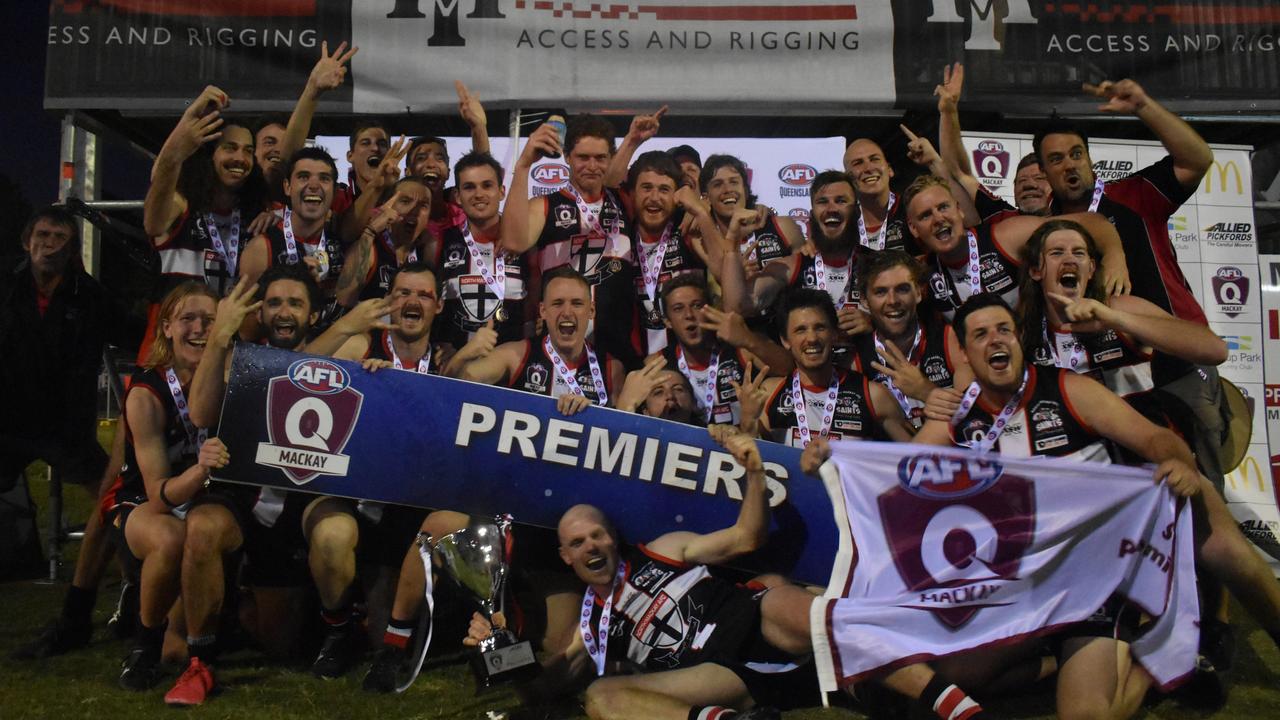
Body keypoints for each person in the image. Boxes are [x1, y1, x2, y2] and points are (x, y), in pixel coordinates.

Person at [914, 293, 1280, 718]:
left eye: (1004, 330)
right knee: (955, 673)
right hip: (1030, 583)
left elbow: (1155, 439)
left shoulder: (1069, 387)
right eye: (981, 334)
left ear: (1018, 339)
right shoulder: (958, 413)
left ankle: (1147, 664)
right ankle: (1087, 658)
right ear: (964, 353)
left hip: (1096, 574)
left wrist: (1178, 463)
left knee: (1086, 713)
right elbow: (899, 473)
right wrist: (834, 460)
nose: (996, 340)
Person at [467, 425, 819, 720]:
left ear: (613, 539)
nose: (591, 546)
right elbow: (541, 690)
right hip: (711, 674)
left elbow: (747, 537)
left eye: (597, 535)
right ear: (566, 557)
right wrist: (500, 649)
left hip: (753, 620)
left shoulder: (663, 549)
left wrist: (755, 474)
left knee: (782, 599)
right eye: (577, 543)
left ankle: (860, 638)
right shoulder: (590, 629)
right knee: (600, 695)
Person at [6, 206, 140, 656]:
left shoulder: (91, 297)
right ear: (27, 241)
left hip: (66, 427)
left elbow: (136, 333)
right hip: (8, 422)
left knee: (115, 500)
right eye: (42, 234)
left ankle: (134, 587)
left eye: (60, 237)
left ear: (72, 247)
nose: (49, 244)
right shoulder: (6, 288)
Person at [108, 282, 225, 690]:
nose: (199, 328)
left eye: (209, 320)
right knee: (173, 537)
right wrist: (200, 472)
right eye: (188, 319)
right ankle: (143, 644)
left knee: (180, 650)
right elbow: (158, 491)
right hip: (148, 505)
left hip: (207, 502)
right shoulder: (147, 392)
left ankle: (184, 634)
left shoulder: (234, 379)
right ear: (167, 328)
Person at [501, 114, 639, 368]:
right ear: (567, 157)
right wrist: (523, 166)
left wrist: (633, 141)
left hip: (618, 354)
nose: (592, 166)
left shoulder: (623, 203)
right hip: (561, 355)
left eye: (600, 158)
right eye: (583, 158)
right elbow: (513, 241)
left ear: (610, 159)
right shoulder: (545, 204)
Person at [901, 173, 1128, 320]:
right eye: (925, 215)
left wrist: (1114, 255)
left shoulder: (1006, 236)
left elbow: (1091, 222)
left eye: (943, 207)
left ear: (959, 210)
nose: (938, 218)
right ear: (913, 228)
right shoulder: (923, 274)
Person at [143, 86, 271, 303]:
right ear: (208, 156)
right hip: (173, 335)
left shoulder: (254, 219)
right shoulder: (180, 205)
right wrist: (180, 141)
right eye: (230, 148)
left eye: (248, 151)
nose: (240, 158)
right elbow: (153, 224)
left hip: (225, 335)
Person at [447, 267, 627, 415]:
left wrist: (590, 414)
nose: (566, 312)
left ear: (592, 311)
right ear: (543, 311)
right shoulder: (516, 355)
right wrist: (463, 355)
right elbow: (449, 393)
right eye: (557, 303)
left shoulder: (611, 369)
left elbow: (622, 433)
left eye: (577, 303)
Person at [745, 289, 913, 447]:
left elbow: (919, 456)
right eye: (800, 330)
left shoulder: (873, 395)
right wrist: (747, 422)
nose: (811, 338)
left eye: (820, 327)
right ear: (785, 341)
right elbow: (750, 458)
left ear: (834, 334)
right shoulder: (768, 394)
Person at [749, 171, 873, 364]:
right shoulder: (795, 263)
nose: (831, 208)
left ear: (856, 211)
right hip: (807, 381)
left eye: (841, 201)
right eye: (822, 202)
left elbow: (911, 320)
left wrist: (874, 323)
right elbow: (742, 304)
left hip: (865, 379)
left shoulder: (875, 264)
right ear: (812, 213)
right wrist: (731, 246)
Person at [624, 150, 728, 355]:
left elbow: (728, 272)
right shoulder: (619, 237)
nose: (654, 198)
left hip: (691, 359)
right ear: (632, 193)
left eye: (664, 190)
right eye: (646, 188)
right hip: (637, 364)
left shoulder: (690, 231)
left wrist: (700, 211)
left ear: (677, 196)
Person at [654, 274, 792, 427]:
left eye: (697, 305)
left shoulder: (740, 348)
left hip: (743, 441)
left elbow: (789, 369)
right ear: (667, 321)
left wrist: (748, 339)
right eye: (678, 308)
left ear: (710, 310)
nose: (689, 315)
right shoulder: (657, 363)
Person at [426, 151, 530, 349]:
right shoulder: (440, 242)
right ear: (457, 196)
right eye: (469, 187)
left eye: (487, 185)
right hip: (456, 364)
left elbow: (534, 298)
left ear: (501, 191)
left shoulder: (522, 242)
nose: (479, 194)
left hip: (509, 364)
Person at [238, 146, 346, 331]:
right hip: (278, 356)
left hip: (329, 355)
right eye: (303, 176)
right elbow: (246, 330)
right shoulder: (262, 248)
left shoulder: (342, 243)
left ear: (335, 191)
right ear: (287, 187)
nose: (314, 185)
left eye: (324, 178)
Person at [850, 250, 962, 427]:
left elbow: (978, 419)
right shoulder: (854, 358)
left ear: (918, 292)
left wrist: (926, 391)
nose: (893, 300)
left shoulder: (949, 339)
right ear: (864, 300)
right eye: (880, 292)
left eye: (902, 289)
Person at [335, 176, 434, 308]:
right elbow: (343, 298)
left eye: (423, 205)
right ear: (389, 206)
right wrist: (370, 231)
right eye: (405, 201)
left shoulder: (426, 253)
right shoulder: (371, 246)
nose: (414, 210)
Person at [842, 138, 917, 254]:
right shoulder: (843, 224)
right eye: (858, 163)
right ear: (847, 179)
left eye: (874, 159)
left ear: (890, 170)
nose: (868, 168)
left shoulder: (912, 209)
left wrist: (934, 163)